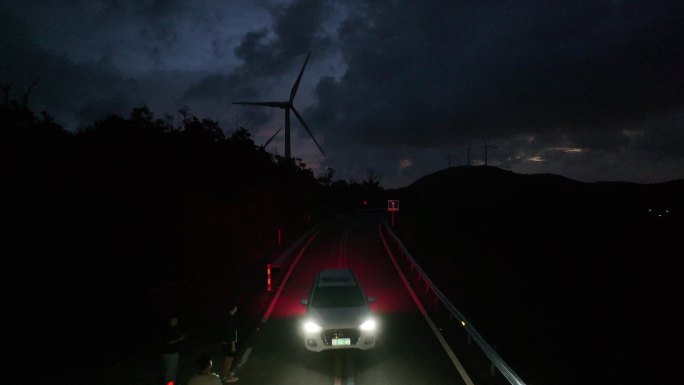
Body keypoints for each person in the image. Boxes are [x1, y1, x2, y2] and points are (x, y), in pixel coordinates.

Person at [162, 316, 186, 385]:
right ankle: (170, 383)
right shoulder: (168, 329)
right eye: (174, 320)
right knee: (171, 370)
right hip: (170, 353)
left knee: (172, 369)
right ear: (170, 320)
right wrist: (179, 339)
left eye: (176, 320)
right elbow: (169, 341)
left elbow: (174, 338)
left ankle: (171, 383)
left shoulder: (174, 329)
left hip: (173, 352)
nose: (175, 322)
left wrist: (180, 337)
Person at [220, 303, 239, 383]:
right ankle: (227, 377)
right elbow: (230, 333)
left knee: (227, 359)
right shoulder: (230, 319)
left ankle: (225, 375)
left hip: (224, 342)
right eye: (236, 307)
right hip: (229, 343)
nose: (236, 309)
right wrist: (233, 345)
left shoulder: (225, 317)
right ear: (234, 308)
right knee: (229, 360)